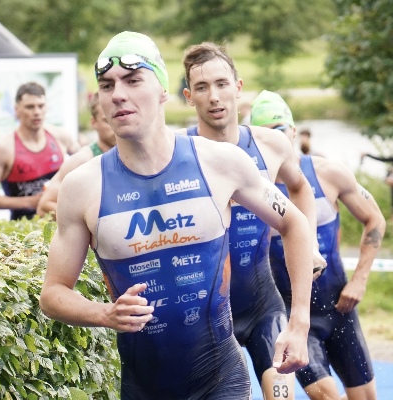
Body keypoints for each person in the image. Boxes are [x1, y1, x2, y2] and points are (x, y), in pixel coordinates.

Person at [39, 31, 315, 400]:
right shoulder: (82, 187)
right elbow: (52, 294)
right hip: (143, 386)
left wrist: (298, 322)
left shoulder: (220, 162)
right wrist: (105, 314)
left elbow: (294, 222)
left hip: (222, 381)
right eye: (107, 85)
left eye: (133, 80)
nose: (118, 93)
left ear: (163, 90)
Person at [178, 42, 326, 400]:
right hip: (205, 316)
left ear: (238, 87)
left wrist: (311, 245)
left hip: (262, 307)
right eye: (202, 87)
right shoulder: (177, 153)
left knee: (282, 396)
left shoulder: (271, 145)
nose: (214, 96)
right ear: (189, 97)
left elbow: (300, 188)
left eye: (221, 84)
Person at [251, 90, 386, 400]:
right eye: (267, 135)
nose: (277, 141)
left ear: (293, 131)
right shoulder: (252, 187)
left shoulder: (328, 173)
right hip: (293, 317)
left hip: (339, 308)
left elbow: (375, 220)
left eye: (280, 131)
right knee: (325, 396)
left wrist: (360, 280)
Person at [0, 81, 79, 220]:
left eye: (41, 106)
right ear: (16, 109)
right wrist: (28, 202)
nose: (37, 112)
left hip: (58, 221)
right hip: (23, 226)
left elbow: (87, 167)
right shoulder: (3, 148)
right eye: (30, 107)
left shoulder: (61, 136)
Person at [36, 93, 116, 220]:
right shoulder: (82, 160)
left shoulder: (140, 155)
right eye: (107, 121)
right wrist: (90, 221)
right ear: (93, 122)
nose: (115, 126)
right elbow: (44, 206)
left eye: (119, 117)